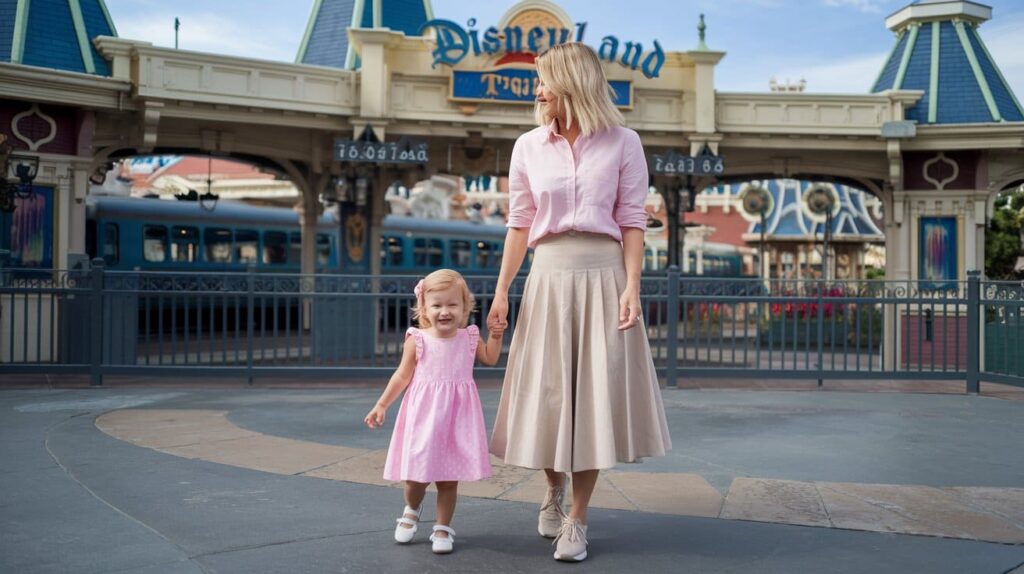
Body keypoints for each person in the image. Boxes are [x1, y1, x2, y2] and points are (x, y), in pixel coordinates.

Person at [487, 42, 672, 563]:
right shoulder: (526, 146)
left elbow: (632, 221)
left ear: (571, 82)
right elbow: (519, 224)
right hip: (547, 275)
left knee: (592, 398)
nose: (538, 89)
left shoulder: (625, 142)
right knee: (550, 395)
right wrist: (501, 290)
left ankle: (579, 518)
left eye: (544, 79)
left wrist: (632, 286)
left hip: (603, 274)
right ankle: (551, 490)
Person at [364, 269, 505, 554]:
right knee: (416, 476)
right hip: (423, 419)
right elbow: (402, 376)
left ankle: (442, 526)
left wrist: (497, 335)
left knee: (448, 478)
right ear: (424, 308)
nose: (444, 311)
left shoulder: (469, 338)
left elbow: (490, 358)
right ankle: (412, 508)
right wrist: (382, 404)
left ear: (465, 308)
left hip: (457, 420)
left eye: (452, 305)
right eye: (437, 305)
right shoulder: (417, 339)